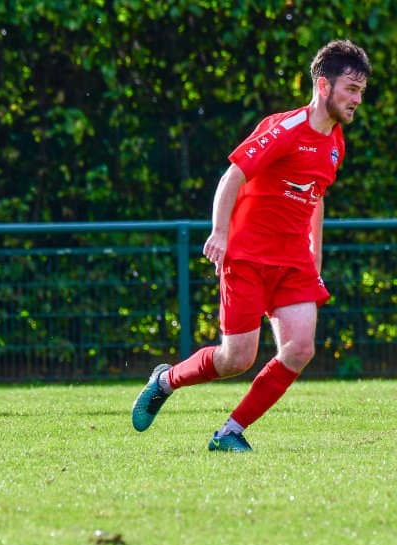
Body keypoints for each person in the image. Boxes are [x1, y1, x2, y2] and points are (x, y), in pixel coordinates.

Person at [132, 39, 371, 452]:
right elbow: (233, 176)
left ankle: (230, 432)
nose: (357, 100)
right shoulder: (285, 130)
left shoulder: (336, 143)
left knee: (300, 349)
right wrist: (219, 233)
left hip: (293, 262)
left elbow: (316, 195)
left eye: (361, 91)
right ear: (323, 86)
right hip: (248, 256)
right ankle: (166, 380)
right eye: (351, 89)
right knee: (236, 359)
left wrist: (314, 255)